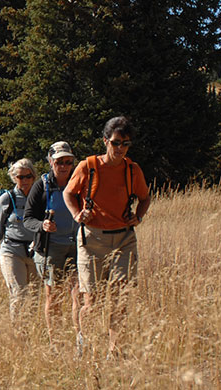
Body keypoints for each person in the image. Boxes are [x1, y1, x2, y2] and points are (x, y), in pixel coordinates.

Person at [63, 116, 151, 358]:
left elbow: (145, 197)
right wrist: (77, 214)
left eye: (126, 144)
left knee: (122, 298)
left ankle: (115, 351)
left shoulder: (132, 170)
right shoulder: (88, 166)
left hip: (124, 239)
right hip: (92, 241)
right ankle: (84, 344)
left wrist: (139, 216)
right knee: (92, 303)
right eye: (116, 143)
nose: (121, 149)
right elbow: (68, 194)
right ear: (105, 141)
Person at [22, 141, 79, 334]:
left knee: (79, 294)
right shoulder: (41, 186)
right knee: (54, 296)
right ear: (50, 161)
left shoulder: (79, 182)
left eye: (68, 162)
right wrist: (42, 225)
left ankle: (80, 338)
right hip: (51, 248)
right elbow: (28, 219)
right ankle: (56, 341)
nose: (63, 166)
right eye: (59, 162)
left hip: (78, 246)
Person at [0, 158, 39, 321]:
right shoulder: (7, 199)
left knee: (36, 296)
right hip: (11, 251)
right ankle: (18, 332)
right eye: (20, 177)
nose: (24, 181)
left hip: (35, 253)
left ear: (33, 176)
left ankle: (31, 331)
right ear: (14, 178)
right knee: (19, 292)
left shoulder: (40, 198)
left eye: (28, 176)